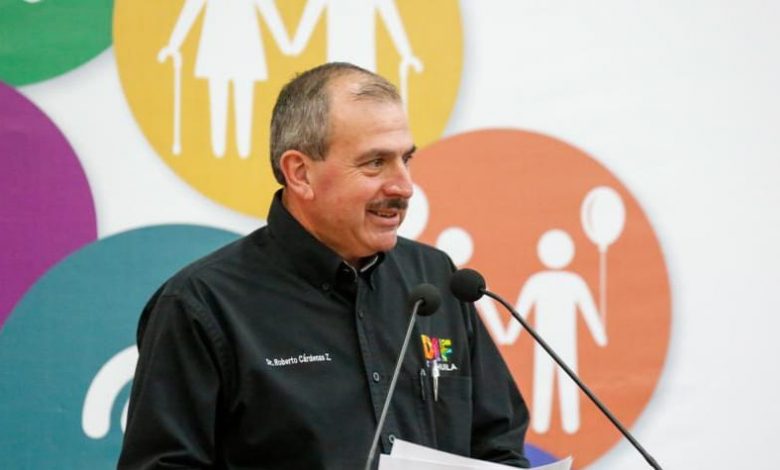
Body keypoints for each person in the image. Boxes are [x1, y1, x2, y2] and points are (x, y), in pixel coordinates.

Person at [118, 62, 530, 469]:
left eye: (405, 159)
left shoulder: (436, 278)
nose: (403, 186)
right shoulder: (202, 304)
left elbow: (497, 446)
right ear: (300, 173)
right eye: (375, 162)